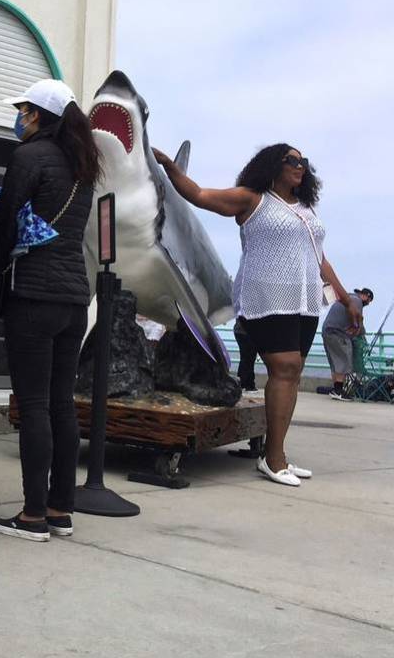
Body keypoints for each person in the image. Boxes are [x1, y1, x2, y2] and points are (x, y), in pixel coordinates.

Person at [155, 144, 359, 487]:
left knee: (292, 373)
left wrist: (345, 297)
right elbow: (201, 195)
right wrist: (170, 169)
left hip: (303, 300)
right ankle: (274, 458)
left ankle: (275, 453)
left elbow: (319, 256)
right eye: (292, 161)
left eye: (303, 162)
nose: (300, 167)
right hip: (266, 296)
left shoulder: (305, 208)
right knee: (285, 367)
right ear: (273, 165)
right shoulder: (253, 199)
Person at [0, 79, 100, 543]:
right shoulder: (83, 165)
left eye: (22, 109)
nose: (19, 116)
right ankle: (60, 509)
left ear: (35, 115)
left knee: (33, 404)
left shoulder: (28, 157)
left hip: (32, 294)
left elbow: (6, 222)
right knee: (61, 405)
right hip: (75, 297)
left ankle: (32, 516)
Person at [322, 287, 373, 400]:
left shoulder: (349, 297)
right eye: (369, 301)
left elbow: (358, 321)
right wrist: (357, 328)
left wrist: (358, 326)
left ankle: (336, 389)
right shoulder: (357, 301)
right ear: (365, 296)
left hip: (327, 331)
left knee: (335, 362)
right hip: (337, 333)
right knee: (344, 361)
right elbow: (357, 320)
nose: (368, 304)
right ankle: (339, 391)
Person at [233, 316, 260, 395]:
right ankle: (248, 385)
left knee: (246, 358)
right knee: (249, 358)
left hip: (239, 331)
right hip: (247, 332)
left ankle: (242, 383)